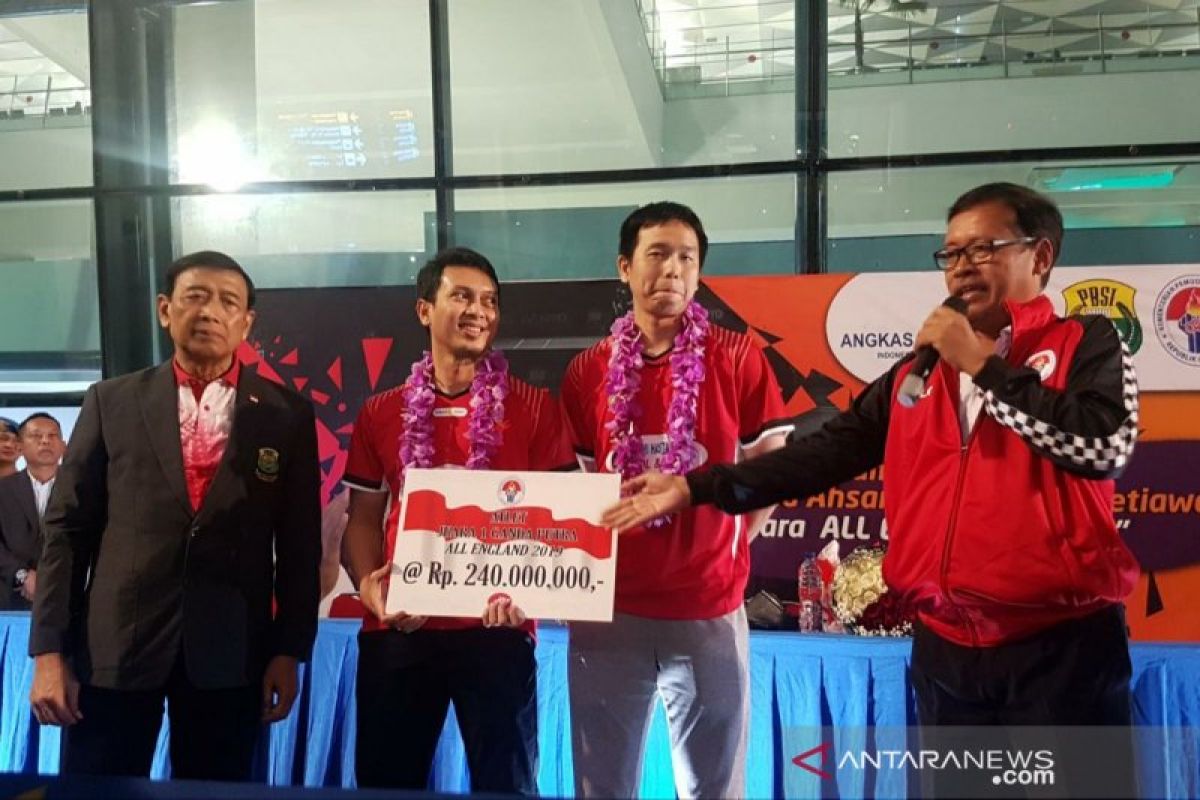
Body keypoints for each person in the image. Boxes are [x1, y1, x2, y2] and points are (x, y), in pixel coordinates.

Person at [606, 184, 1140, 796]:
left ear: (1041, 257)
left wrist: (985, 367)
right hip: (947, 655)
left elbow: (1103, 447)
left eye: (983, 249)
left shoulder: (1086, 341)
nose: (962, 267)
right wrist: (694, 487)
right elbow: (823, 454)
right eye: (952, 254)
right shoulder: (919, 373)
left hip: (1059, 651)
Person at [29, 250, 321, 782]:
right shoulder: (110, 402)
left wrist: (289, 651)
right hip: (115, 650)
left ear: (246, 322)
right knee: (98, 794)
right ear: (166, 310)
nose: (210, 311)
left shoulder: (287, 415)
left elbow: (300, 546)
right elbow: (67, 533)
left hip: (232, 656)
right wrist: (50, 651)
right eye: (195, 297)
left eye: (227, 301)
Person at [560, 201, 791, 798]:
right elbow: (578, 490)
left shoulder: (739, 358)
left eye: (687, 258)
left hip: (708, 609)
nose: (672, 270)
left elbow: (773, 468)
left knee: (712, 788)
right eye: (657, 254)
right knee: (601, 785)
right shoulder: (588, 372)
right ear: (625, 268)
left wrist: (730, 538)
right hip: (610, 613)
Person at [342, 246, 574, 795]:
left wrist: (531, 595)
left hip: (497, 629)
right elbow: (362, 520)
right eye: (462, 296)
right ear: (425, 309)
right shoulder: (381, 411)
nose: (479, 311)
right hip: (401, 626)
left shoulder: (535, 407)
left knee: (508, 785)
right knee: (385, 783)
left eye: (490, 301)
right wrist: (371, 589)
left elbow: (562, 525)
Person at [0, 413, 66, 610]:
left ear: (63, 445)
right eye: (37, 436)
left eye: (53, 435)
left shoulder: (83, 489)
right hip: (9, 597)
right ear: (20, 447)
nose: (45, 441)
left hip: (68, 597)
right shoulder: (3, 489)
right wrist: (22, 575)